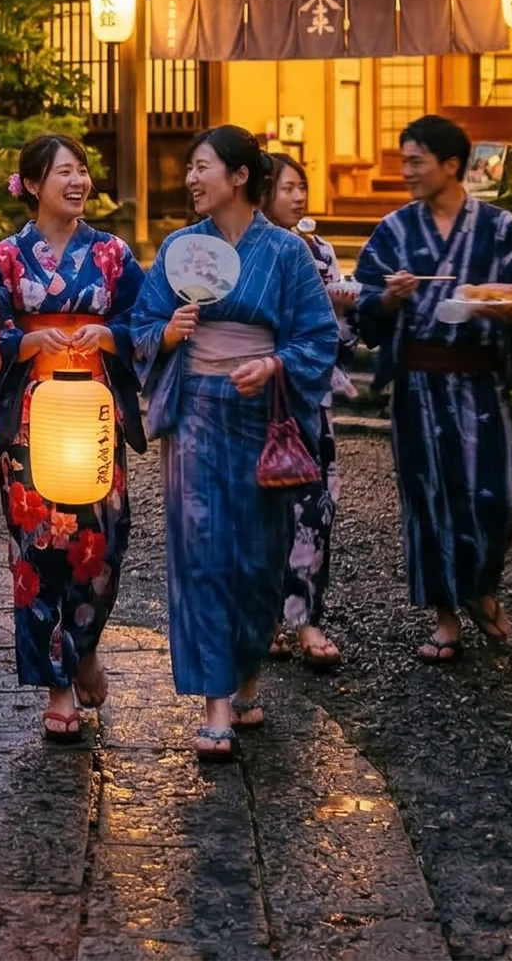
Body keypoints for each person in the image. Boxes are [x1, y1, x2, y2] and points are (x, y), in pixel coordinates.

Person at [130, 125, 338, 764]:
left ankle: (247, 678)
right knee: (203, 554)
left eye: (202, 167)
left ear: (240, 176)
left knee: (258, 556)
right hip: (197, 413)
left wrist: (275, 365)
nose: (191, 179)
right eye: (190, 168)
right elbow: (140, 325)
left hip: (260, 418)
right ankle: (216, 701)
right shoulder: (179, 247)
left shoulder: (284, 253)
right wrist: (169, 332)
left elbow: (318, 337)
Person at [354, 114, 512, 664]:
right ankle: (445, 618)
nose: (407, 172)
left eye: (417, 162)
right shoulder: (394, 230)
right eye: (405, 161)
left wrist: (508, 306)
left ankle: (482, 588)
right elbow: (364, 304)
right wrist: (391, 298)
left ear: (451, 165)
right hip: (420, 384)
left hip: (480, 381)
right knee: (429, 498)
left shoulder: (497, 227)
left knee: (500, 494)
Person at [0, 134, 149, 743]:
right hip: (32, 415)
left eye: (82, 171)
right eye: (64, 173)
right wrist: (25, 342)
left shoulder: (110, 253)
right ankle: (58, 682)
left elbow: (145, 318)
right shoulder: (4, 257)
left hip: (96, 405)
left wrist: (110, 337)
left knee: (103, 540)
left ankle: (83, 647)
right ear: (31, 185)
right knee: (39, 547)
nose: (77, 182)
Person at [262, 153, 360, 672]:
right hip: (261, 395)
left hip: (309, 397)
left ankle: (307, 619)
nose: (298, 197)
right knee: (264, 512)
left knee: (314, 514)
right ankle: (267, 619)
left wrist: (341, 309)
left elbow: (337, 333)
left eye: (302, 186)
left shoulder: (319, 249)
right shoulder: (248, 249)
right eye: (287, 188)